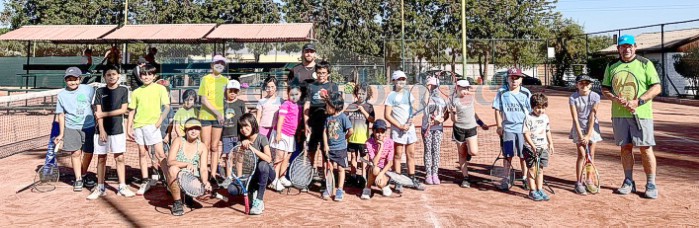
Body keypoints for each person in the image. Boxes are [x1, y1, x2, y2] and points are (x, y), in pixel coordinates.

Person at [601, 34, 662, 199]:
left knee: (645, 148)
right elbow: (605, 88)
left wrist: (639, 101)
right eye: (623, 46)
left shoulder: (645, 64)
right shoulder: (612, 65)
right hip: (619, 115)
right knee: (625, 148)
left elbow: (656, 87)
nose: (626, 49)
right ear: (618, 49)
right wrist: (614, 98)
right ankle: (628, 181)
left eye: (629, 46)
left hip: (641, 114)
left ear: (635, 47)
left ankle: (651, 183)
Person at [87, 67, 136, 200]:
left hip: (117, 131)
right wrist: (101, 129)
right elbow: (98, 112)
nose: (111, 77)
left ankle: (122, 187)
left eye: (113, 74)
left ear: (118, 76)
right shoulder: (99, 91)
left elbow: (123, 110)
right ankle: (100, 187)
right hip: (101, 132)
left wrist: (104, 114)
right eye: (108, 75)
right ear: (104, 77)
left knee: (119, 158)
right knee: (101, 159)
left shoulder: (124, 90)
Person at [127, 64, 171, 195]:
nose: (146, 77)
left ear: (154, 76)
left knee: (160, 154)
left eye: (149, 74)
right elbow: (132, 110)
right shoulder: (136, 92)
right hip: (138, 126)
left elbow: (167, 107)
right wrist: (128, 127)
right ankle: (145, 181)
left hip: (152, 126)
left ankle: (170, 180)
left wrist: (158, 123)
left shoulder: (160, 89)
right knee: (142, 152)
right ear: (140, 76)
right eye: (143, 74)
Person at [54, 67, 96, 192]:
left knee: (88, 153)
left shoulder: (89, 89)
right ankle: (78, 178)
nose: (72, 82)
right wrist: (61, 133)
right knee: (76, 153)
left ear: (80, 79)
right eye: (69, 79)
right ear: (65, 80)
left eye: (75, 79)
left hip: (89, 126)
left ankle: (83, 174)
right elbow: (61, 115)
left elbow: (96, 104)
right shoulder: (61, 95)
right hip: (72, 127)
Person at [226, 113, 275, 215]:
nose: (243, 129)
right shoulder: (241, 142)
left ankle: (259, 200)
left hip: (267, 174)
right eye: (241, 127)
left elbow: (268, 158)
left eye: (246, 126)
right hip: (250, 176)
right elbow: (239, 162)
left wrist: (252, 148)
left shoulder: (262, 138)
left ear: (253, 125)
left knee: (262, 165)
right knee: (232, 189)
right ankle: (252, 190)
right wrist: (239, 179)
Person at [384, 70, 425, 192]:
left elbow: (413, 109)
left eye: (403, 79)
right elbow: (387, 115)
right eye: (399, 79)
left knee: (411, 154)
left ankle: (412, 178)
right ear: (394, 81)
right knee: (397, 155)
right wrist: (400, 126)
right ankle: (398, 180)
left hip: (410, 129)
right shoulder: (391, 96)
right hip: (398, 130)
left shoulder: (408, 94)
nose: (401, 81)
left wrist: (416, 113)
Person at [493, 67, 532, 191]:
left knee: (523, 156)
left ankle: (525, 178)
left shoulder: (526, 93)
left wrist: (530, 128)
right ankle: (505, 178)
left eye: (517, 78)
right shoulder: (501, 92)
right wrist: (499, 126)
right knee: (508, 156)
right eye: (512, 77)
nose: (514, 80)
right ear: (507, 79)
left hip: (523, 130)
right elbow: (497, 110)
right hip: (508, 129)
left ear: (521, 80)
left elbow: (531, 112)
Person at [449, 79, 491, 188]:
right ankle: (466, 178)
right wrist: (453, 112)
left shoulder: (470, 98)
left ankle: (469, 153)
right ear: (458, 88)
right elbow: (454, 120)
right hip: (459, 129)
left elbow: (474, 113)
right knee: (461, 154)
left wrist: (481, 123)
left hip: (471, 127)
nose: (467, 91)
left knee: (473, 152)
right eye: (464, 88)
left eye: (468, 88)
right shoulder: (452, 100)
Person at [166, 118, 211, 216]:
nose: (194, 131)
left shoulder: (202, 147)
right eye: (190, 128)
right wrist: (186, 164)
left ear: (200, 130)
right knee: (173, 169)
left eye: (196, 128)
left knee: (200, 191)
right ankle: (177, 202)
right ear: (186, 130)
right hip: (176, 176)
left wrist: (205, 182)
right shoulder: (178, 141)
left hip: (191, 177)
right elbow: (170, 162)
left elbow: (203, 169)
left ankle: (188, 195)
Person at [198, 55, 230, 183]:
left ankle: (213, 175)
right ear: (212, 65)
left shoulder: (225, 81)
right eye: (217, 63)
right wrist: (217, 112)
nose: (219, 65)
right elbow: (203, 99)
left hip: (219, 117)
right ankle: (203, 173)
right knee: (205, 146)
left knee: (215, 147)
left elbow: (228, 98)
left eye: (222, 63)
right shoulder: (205, 79)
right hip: (206, 116)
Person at [303, 61, 338, 176]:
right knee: (311, 150)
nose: (321, 75)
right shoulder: (311, 86)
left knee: (325, 151)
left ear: (328, 73)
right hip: (313, 124)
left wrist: (327, 100)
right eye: (319, 73)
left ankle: (325, 176)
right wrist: (306, 124)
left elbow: (336, 107)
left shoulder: (333, 86)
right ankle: (310, 174)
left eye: (324, 73)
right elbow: (307, 106)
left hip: (327, 124)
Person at [569, 75, 603, 195]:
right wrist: (580, 134)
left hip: (592, 128)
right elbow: (575, 118)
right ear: (577, 85)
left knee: (591, 155)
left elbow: (592, 116)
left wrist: (588, 135)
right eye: (581, 83)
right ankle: (578, 182)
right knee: (582, 155)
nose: (584, 86)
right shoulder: (573, 97)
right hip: (578, 128)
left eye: (587, 84)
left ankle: (589, 180)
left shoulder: (595, 96)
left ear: (591, 85)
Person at [522, 93, 554, 201]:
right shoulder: (528, 118)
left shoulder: (545, 117)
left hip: (543, 148)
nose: (541, 110)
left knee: (540, 170)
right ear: (533, 107)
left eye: (543, 107)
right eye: (538, 108)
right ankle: (532, 191)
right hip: (530, 149)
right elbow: (526, 134)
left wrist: (551, 143)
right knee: (531, 170)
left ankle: (539, 189)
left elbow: (547, 131)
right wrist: (532, 146)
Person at [269, 84, 302, 191]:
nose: (294, 96)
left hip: (291, 136)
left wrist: (298, 134)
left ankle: (282, 177)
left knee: (287, 157)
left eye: (296, 94)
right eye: (291, 94)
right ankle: (274, 180)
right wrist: (278, 133)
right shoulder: (286, 105)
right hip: (281, 133)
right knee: (279, 158)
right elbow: (281, 119)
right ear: (287, 94)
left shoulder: (299, 106)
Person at [322, 92, 353, 201]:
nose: (326, 107)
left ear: (335, 107)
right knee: (329, 168)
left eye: (328, 105)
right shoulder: (328, 118)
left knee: (340, 169)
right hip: (330, 149)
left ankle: (339, 189)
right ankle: (329, 187)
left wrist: (344, 138)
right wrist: (326, 145)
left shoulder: (343, 117)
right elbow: (325, 132)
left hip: (340, 149)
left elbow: (351, 131)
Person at [345, 82, 375, 186]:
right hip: (352, 138)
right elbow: (344, 117)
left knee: (363, 158)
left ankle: (363, 177)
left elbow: (372, 120)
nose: (361, 96)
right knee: (353, 156)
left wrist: (363, 111)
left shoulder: (369, 107)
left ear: (367, 94)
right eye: (359, 93)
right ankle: (353, 176)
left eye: (363, 93)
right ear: (355, 94)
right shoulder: (351, 106)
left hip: (364, 139)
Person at [219, 80, 247, 188]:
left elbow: (245, 119)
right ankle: (229, 176)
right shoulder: (222, 103)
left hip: (238, 135)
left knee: (239, 156)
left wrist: (245, 135)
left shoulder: (241, 103)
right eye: (230, 90)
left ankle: (239, 176)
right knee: (228, 157)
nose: (232, 93)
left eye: (235, 91)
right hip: (226, 134)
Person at [421, 77, 449, 185]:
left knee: (436, 151)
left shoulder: (442, 100)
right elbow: (425, 101)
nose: (434, 89)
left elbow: (445, 114)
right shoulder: (426, 98)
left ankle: (435, 174)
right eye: (431, 86)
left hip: (438, 129)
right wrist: (428, 88)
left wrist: (441, 120)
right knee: (428, 151)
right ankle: (428, 174)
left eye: (435, 86)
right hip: (427, 129)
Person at [360, 119, 394, 200]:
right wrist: (381, 147)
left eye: (382, 132)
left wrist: (381, 174)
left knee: (380, 184)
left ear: (385, 132)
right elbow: (374, 162)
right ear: (373, 132)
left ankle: (385, 185)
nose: (380, 134)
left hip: (384, 170)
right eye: (377, 132)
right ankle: (367, 188)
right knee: (375, 169)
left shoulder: (390, 142)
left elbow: (390, 163)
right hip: (374, 168)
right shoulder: (368, 143)